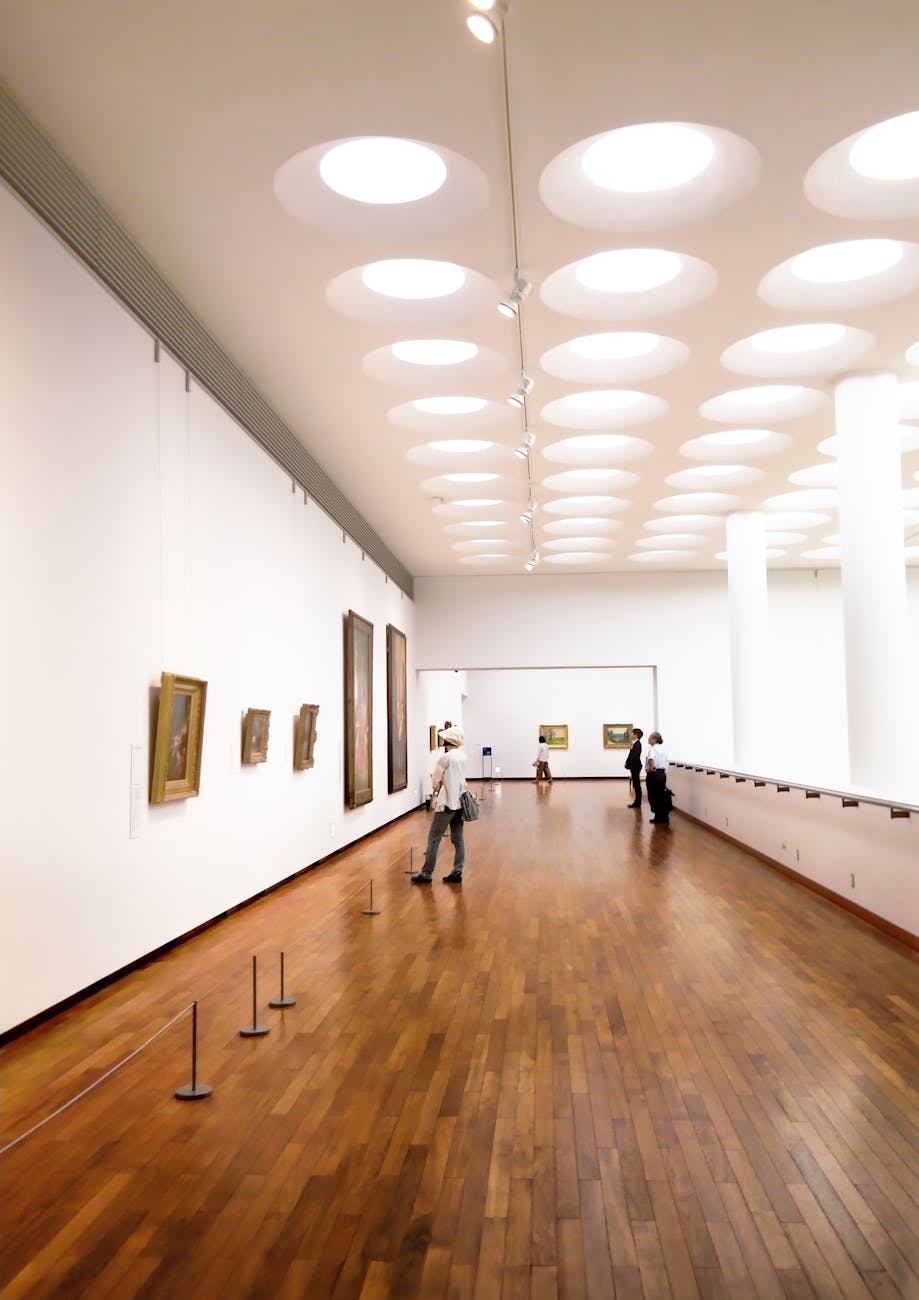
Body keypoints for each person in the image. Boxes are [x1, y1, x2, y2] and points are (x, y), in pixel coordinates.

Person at [413, 725, 468, 884]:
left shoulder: (446, 758)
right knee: (458, 839)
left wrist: (438, 783)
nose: (442, 740)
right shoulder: (462, 757)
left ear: (449, 740)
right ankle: (457, 872)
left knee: (434, 839)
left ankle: (426, 874)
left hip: (446, 803)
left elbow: (435, 778)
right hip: (460, 802)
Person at [645, 731, 671, 824]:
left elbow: (651, 759)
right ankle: (664, 816)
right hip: (662, 774)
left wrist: (651, 768)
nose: (648, 739)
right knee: (661, 795)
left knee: (653, 795)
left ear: (655, 739)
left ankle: (658, 816)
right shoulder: (663, 749)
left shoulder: (652, 749)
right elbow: (666, 761)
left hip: (654, 774)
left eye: (649, 738)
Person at [624, 727, 643, 807]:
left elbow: (634, 756)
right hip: (634, 766)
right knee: (636, 784)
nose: (630, 734)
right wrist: (627, 762)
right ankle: (637, 802)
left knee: (636, 785)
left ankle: (637, 803)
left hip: (636, 766)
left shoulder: (637, 744)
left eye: (632, 733)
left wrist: (627, 763)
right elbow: (631, 754)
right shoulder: (635, 743)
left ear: (636, 735)